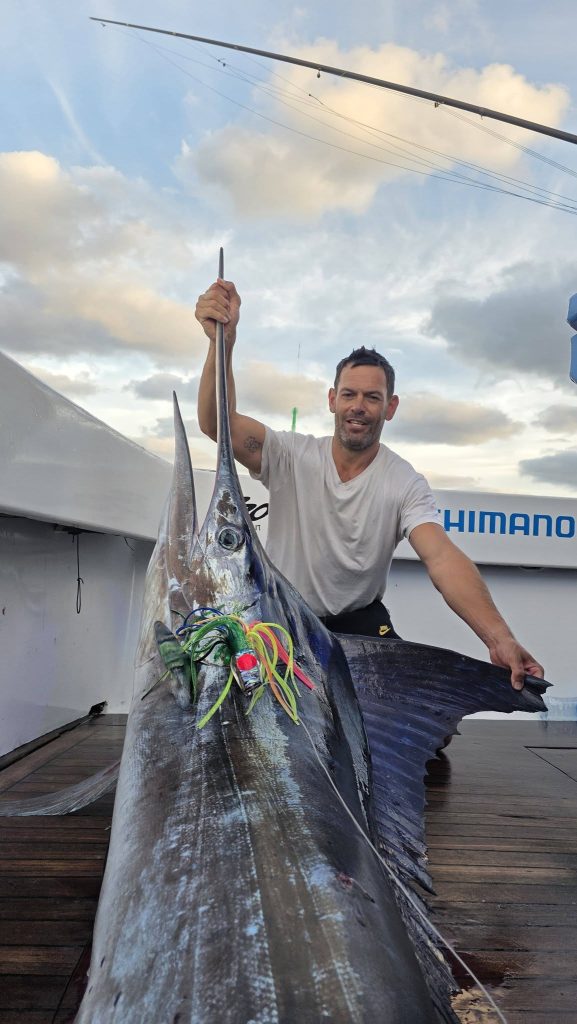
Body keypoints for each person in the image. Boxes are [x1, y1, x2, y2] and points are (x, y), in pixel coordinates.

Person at [195, 278, 544, 691]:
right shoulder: (289, 455)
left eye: (372, 398)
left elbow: (441, 558)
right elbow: (216, 423)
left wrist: (499, 638)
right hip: (283, 619)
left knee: (416, 711)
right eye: (349, 395)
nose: (358, 407)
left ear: (390, 407)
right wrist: (223, 343)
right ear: (332, 400)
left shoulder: (404, 482)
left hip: (361, 624)